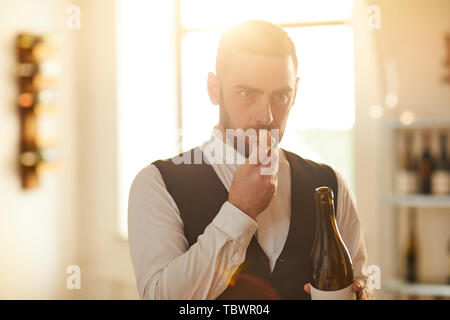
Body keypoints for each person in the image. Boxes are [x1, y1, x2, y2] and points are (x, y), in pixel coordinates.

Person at [128, 20, 370, 300]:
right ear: (214, 89)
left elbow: (361, 285)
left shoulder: (331, 184)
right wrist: (239, 212)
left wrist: (360, 296)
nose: (266, 116)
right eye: (247, 94)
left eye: (281, 95)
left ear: (295, 93)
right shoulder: (156, 185)